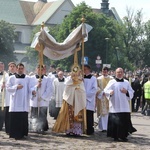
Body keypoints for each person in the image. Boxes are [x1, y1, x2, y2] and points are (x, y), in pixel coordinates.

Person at [104, 67, 136, 142]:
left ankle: (123, 136)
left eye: (121, 72)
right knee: (115, 122)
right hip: (115, 105)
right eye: (118, 72)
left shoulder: (126, 82)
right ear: (115, 73)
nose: (120, 73)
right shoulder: (112, 82)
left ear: (123, 73)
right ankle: (115, 136)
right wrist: (110, 92)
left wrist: (127, 92)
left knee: (124, 121)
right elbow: (106, 90)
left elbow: (132, 92)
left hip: (124, 106)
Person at [52, 65, 86, 136]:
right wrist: (73, 86)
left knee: (76, 116)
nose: (75, 75)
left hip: (77, 101)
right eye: (74, 73)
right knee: (69, 116)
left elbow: (83, 91)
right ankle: (69, 130)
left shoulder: (81, 81)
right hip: (69, 101)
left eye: (77, 73)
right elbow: (66, 88)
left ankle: (76, 131)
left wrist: (78, 91)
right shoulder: (68, 80)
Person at [6, 63, 30, 140]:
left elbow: (31, 87)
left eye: (22, 68)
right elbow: (8, 88)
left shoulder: (27, 78)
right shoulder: (12, 78)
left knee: (23, 118)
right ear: (16, 69)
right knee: (15, 118)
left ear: (24, 69)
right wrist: (16, 87)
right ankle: (14, 134)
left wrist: (33, 91)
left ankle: (23, 133)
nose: (20, 70)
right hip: (15, 102)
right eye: (19, 68)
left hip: (24, 102)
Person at [30, 65, 53, 134]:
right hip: (34, 99)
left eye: (41, 69)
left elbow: (49, 89)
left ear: (43, 70)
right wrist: (36, 86)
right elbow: (30, 88)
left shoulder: (48, 79)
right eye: (38, 69)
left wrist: (43, 97)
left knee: (42, 114)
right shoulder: (31, 78)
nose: (40, 70)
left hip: (43, 100)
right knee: (34, 113)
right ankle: (34, 127)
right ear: (36, 69)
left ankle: (41, 127)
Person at [96, 67, 113, 132]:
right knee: (102, 113)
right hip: (102, 97)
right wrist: (101, 92)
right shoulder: (98, 79)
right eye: (103, 71)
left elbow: (113, 87)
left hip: (109, 97)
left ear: (108, 71)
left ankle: (109, 127)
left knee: (109, 112)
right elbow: (96, 87)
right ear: (102, 71)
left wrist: (109, 92)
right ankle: (103, 127)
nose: (104, 72)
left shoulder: (111, 79)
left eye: (106, 71)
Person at [2, 62, 17, 134]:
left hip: (16, 98)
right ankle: (8, 130)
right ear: (9, 67)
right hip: (7, 98)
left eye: (13, 66)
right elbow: (1, 85)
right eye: (11, 66)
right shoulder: (5, 76)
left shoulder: (18, 76)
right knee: (7, 115)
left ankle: (14, 129)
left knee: (14, 115)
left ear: (16, 67)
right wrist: (2, 87)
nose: (12, 67)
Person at [84, 65, 97, 135]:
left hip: (89, 99)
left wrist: (86, 95)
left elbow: (94, 89)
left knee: (89, 114)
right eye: (83, 69)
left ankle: (89, 129)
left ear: (89, 70)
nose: (84, 71)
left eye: (85, 69)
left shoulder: (93, 78)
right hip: (81, 99)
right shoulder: (81, 78)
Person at [0, 62, 6, 131]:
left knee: (2, 112)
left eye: (2, 66)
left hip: (3, 95)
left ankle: (0, 125)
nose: (1, 68)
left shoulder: (6, 75)